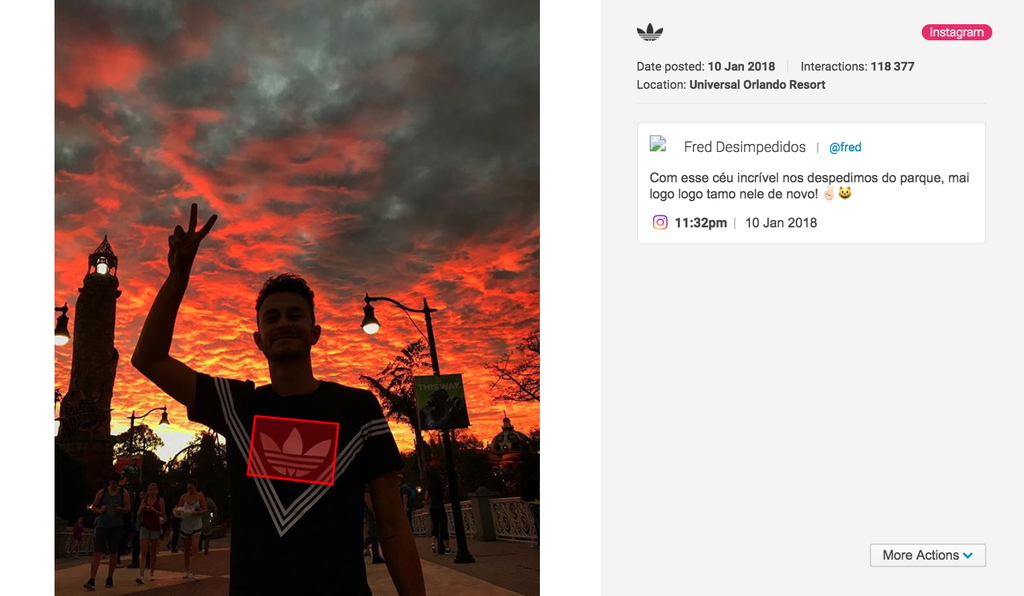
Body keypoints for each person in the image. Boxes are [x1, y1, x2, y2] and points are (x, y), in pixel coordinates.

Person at [131, 204, 426, 596]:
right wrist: (178, 276)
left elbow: (392, 526)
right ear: (258, 339)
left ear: (315, 332)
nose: (284, 323)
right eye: (271, 318)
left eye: (294, 315)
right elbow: (149, 358)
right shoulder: (238, 405)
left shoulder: (358, 410)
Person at [83, 473, 131, 590]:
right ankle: (92, 579)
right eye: (112, 481)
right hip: (102, 525)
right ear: (109, 481)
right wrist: (100, 511)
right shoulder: (102, 492)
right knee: (97, 552)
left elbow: (128, 508)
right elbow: (94, 507)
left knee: (113, 552)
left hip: (116, 526)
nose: (114, 484)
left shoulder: (123, 493)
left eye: (116, 482)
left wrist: (119, 509)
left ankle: (110, 577)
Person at [176, 480, 207, 581]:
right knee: (186, 549)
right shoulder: (184, 496)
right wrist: (178, 511)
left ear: (195, 487)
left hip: (196, 525)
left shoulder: (200, 497)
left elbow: (205, 509)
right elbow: (179, 507)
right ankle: (186, 569)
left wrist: (197, 512)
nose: (190, 490)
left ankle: (194, 572)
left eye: (192, 488)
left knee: (195, 547)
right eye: (188, 488)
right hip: (185, 525)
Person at [136, 483, 165, 583]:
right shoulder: (144, 501)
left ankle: (152, 572)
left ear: (156, 491)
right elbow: (138, 515)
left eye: (154, 489)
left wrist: (153, 510)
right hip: (144, 527)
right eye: (150, 489)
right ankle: (141, 574)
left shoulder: (160, 500)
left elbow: (162, 514)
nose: (152, 491)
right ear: (148, 491)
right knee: (143, 551)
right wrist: (143, 509)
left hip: (155, 528)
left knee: (153, 552)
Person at [426, 471, 449, 555]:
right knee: (444, 526)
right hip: (440, 507)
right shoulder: (441, 485)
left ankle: (433, 543)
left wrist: (429, 500)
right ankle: (447, 547)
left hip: (433, 508)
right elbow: (444, 495)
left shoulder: (430, 486)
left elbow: (426, 496)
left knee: (435, 526)